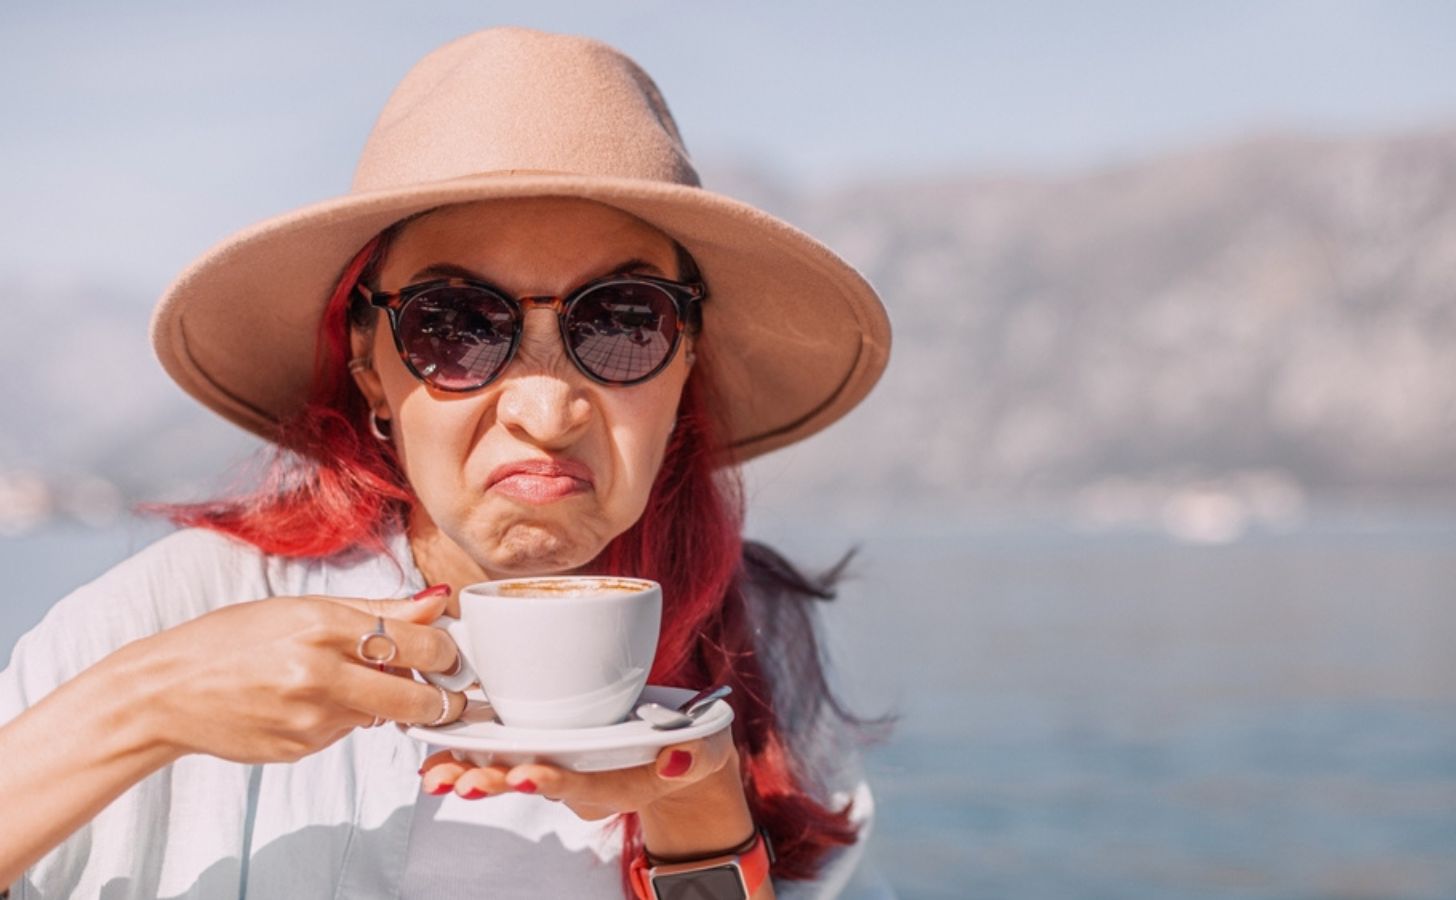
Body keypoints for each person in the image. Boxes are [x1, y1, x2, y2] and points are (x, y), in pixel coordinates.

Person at [0, 26, 892, 900]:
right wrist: (141, 710)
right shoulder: (169, 617)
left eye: (623, 322)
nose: (546, 412)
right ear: (369, 369)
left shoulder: (758, 648)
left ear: (685, 360)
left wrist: (702, 822)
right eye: (456, 326)